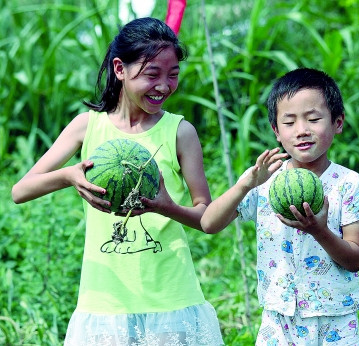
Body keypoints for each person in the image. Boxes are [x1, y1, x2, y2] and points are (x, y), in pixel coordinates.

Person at [12, 17, 224, 345]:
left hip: (170, 298)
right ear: (120, 69)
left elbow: (207, 217)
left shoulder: (180, 132)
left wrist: (168, 207)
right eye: (152, 74)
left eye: (173, 75)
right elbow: (20, 191)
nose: (164, 86)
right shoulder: (87, 126)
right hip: (105, 304)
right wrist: (69, 176)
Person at [201, 67, 359, 345]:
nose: (302, 130)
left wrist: (319, 231)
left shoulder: (350, 184)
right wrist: (244, 185)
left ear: (338, 122)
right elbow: (209, 223)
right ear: (276, 131)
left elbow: (356, 259)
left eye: (313, 118)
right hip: (278, 318)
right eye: (289, 122)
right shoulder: (266, 180)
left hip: (334, 318)